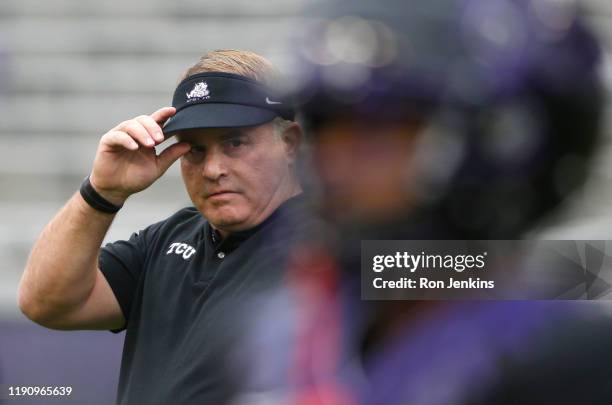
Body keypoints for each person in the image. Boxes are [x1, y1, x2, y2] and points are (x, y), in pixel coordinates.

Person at [227, 1, 612, 404]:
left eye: (377, 130)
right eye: (328, 130)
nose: (335, 167)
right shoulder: (284, 330)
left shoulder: (563, 357)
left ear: (500, 143)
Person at [18, 49, 306, 404]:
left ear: (289, 143)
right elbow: (45, 303)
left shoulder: (342, 245)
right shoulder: (169, 238)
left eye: (235, 142)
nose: (213, 169)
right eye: (195, 150)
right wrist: (101, 193)